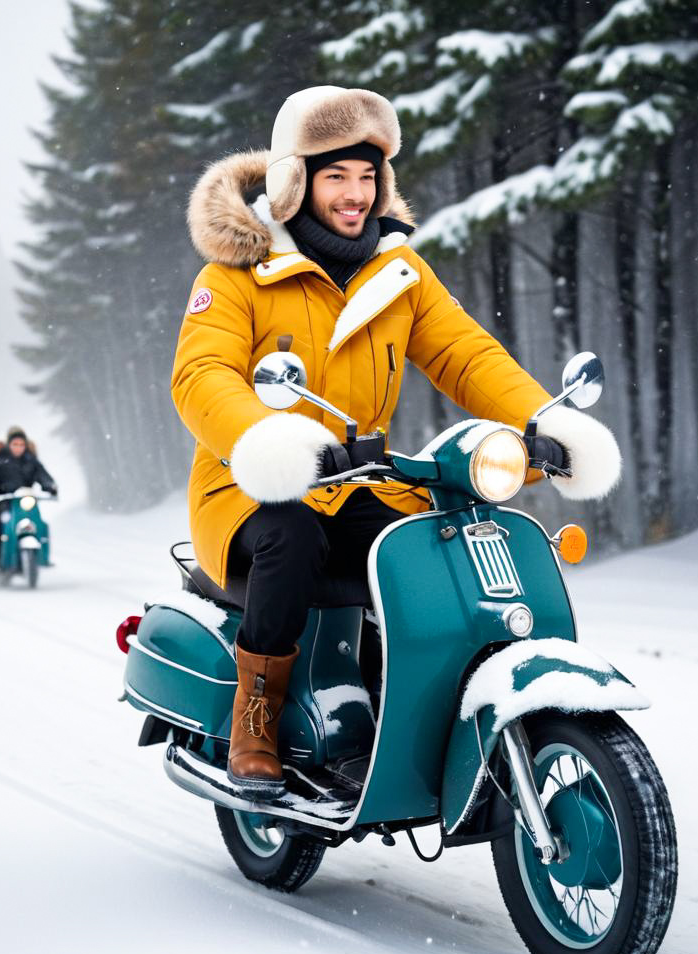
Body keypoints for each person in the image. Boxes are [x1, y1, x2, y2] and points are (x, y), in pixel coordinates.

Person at [171, 86, 621, 795]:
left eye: (368, 175)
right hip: (251, 487)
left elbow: (467, 356)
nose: (356, 194)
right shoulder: (236, 274)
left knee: (428, 553)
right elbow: (201, 376)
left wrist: (544, 423)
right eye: (336, 176)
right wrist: (272, 440)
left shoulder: (398, 272)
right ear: (295, 181)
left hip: (356, 481)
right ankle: (256, 718)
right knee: (290, 535)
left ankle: (399, 718)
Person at [0, 426, 57, 566]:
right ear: (8, 444)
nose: (18, 448)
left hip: (27, 499)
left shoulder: (31, 460)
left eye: (21, 444)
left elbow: (42, 475)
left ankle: (42, 554)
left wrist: (50, 487)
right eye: (15, 444)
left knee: (39, 522)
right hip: (5, 500)